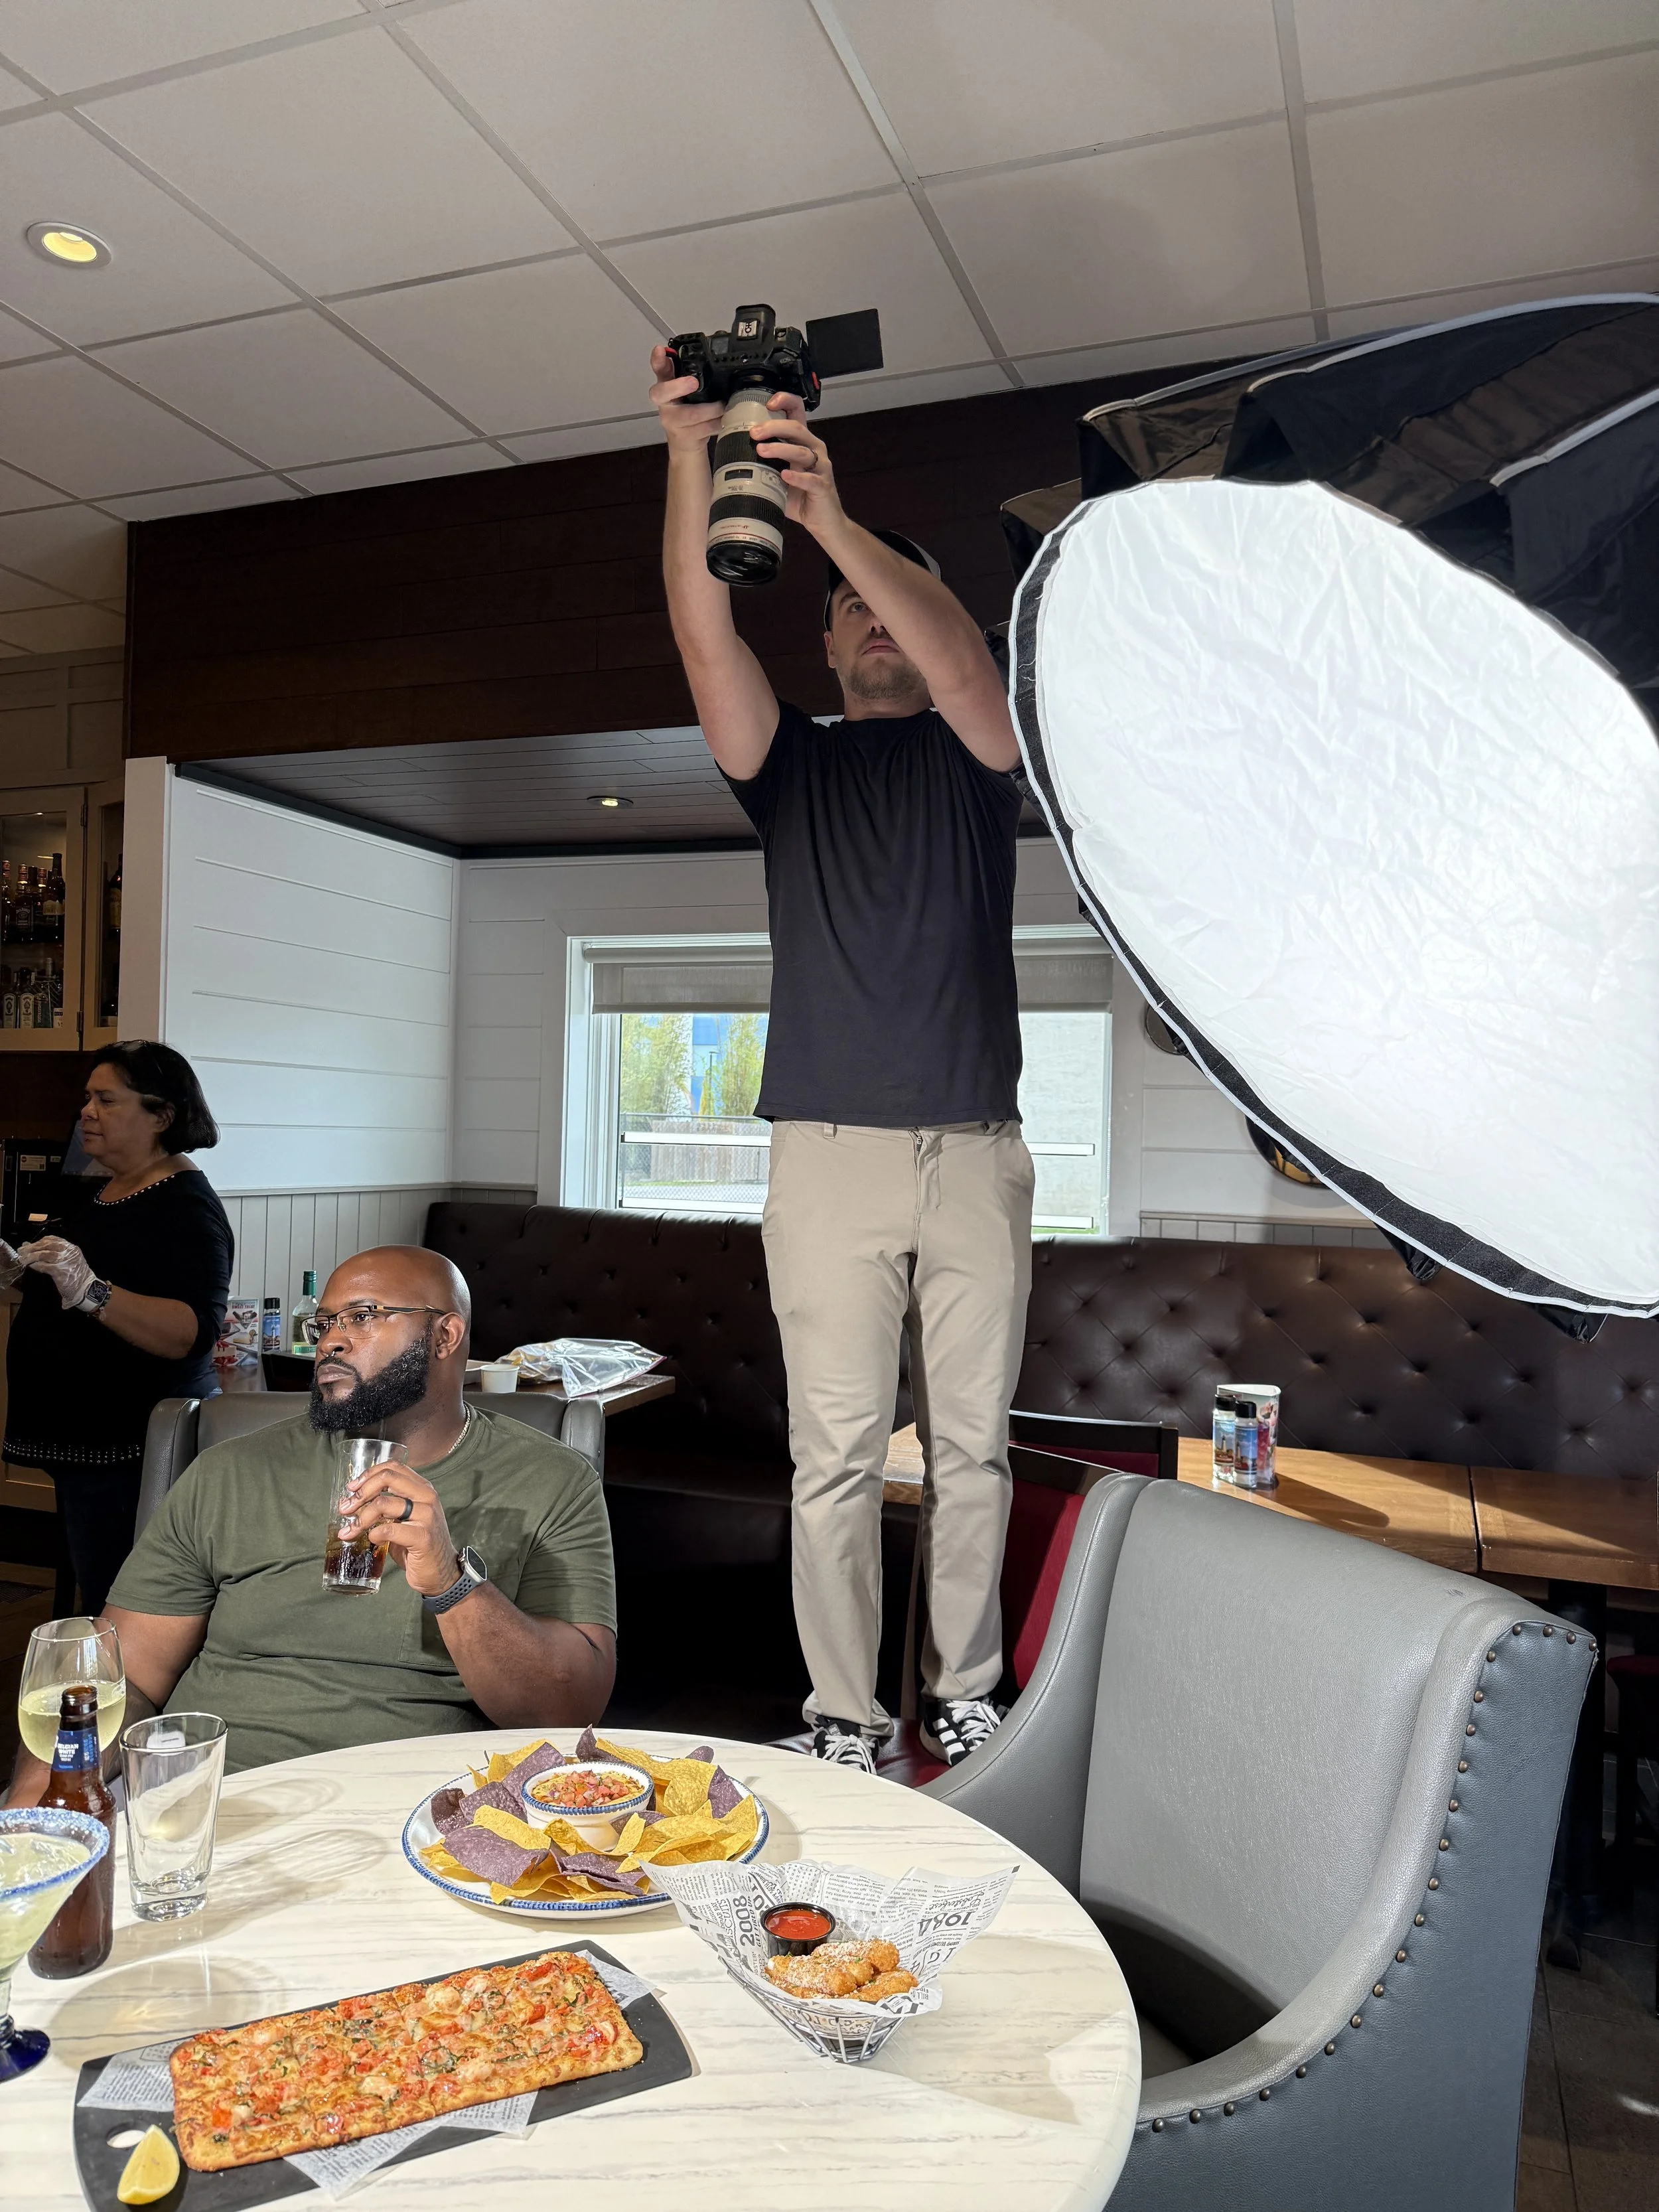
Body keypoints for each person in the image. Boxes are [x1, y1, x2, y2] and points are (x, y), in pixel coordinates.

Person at [648, 345, 1035, 1772]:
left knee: (974, 1451)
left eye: (889, 604)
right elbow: (703, 638)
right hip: (822, 1156)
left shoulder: (976, 759)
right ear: (821, 644)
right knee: (834, 1462)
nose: (871, 624)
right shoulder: (791, 765)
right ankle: (841, 1715)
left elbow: (963, 667)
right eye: (846, 613)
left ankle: (966, 1693)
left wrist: (832, 520)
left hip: (975, 1153)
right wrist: (693, 453)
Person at [5, 1247, 615, 1799]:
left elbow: (566, 1707)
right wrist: (41, 1822)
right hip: (209, 1802)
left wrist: (452, 1583)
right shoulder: (231, 1472)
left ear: (446, 1334)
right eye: (325, 1323)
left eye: (364, 1315)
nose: (331, 1340)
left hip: (413, 1816)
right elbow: (124, 1680)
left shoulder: (550, 1480)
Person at [1, 1043, 233, 1614]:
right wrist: (18, 1273)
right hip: (81, 1442)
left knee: (121, 1601)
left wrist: (92, 1290)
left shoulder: (185, 1206)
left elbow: (191, 1329)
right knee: (94, 1584)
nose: (87, 1111)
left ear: (161, 1116)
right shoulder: (105, 1189)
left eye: (107, 1100)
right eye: (87, 1098)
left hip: (127, 1447)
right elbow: (70, 1290)